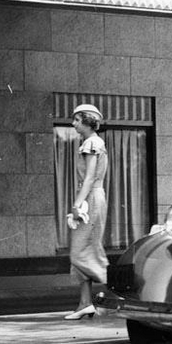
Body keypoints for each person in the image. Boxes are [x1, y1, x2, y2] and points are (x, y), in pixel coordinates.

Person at [64, 103, 109, 320]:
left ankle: (113, 280)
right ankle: (85, 303)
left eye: (76, 120)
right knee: (84, 249)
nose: (73, 124)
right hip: (92, 197)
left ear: (87, 122)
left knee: (79, 251)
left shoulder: (92, 143)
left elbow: (90, 178)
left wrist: (76, 205)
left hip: (90, 197)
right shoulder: (93, 142)